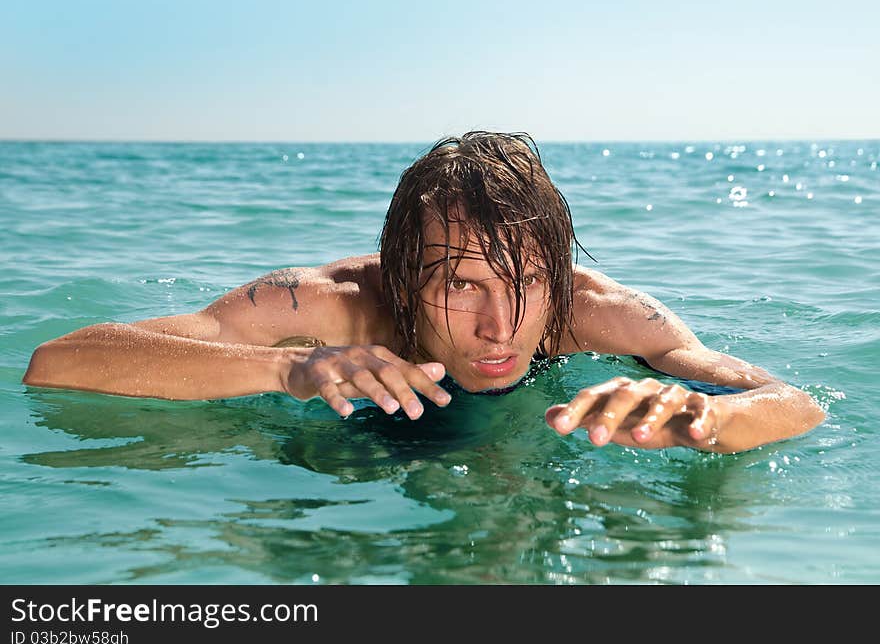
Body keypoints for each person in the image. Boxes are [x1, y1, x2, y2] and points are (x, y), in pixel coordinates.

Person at [22, 131, 825, 453]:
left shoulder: (597, 313)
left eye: (526, 282)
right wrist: (284, 372)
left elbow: (800, 403)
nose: (499, 324)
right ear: (404, 276)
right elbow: (58, 363)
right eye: (462, 284)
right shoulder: (328, 303)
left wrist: (712, 416)